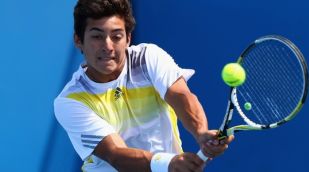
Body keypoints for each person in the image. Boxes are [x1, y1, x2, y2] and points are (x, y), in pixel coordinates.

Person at [54, 0, 234, 171]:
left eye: (116, 36)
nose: (107, 46)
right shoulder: (71, 101)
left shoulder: (148, 59)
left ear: (128, 39)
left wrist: (201, 133)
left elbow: (181, 96)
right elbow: (116, 154)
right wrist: (168, 164)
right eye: (97, 36)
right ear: (78, 40)